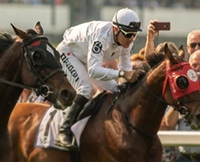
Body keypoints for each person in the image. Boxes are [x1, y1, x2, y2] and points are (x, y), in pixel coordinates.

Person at [54, 9, 151, 150]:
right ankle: (64, 131)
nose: (131, 39)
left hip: (88, 58)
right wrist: (123, 74)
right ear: (116, 29)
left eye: (134, 35)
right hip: (69, 52)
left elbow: (126, 72)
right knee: (86, 89)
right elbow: (94, 71)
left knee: (116, 90)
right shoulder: (102, 36)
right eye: (128, 34)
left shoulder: (126, 42)